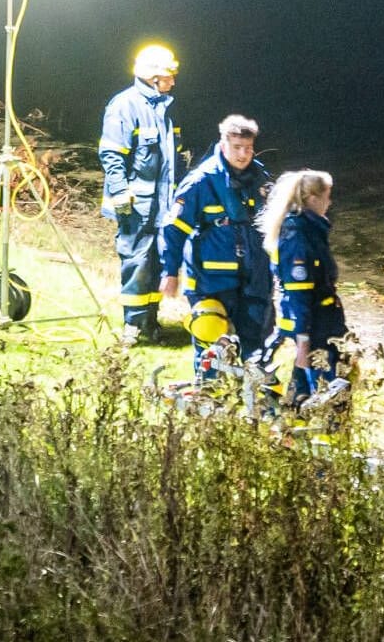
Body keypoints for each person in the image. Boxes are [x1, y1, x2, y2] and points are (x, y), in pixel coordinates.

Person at [159, 115, 274, 376]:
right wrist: (170, 272)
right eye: (237, 148)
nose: (243, 154)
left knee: (256, 340)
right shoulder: (202, 182)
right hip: (211, 279)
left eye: (248, 148)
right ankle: (208, 398)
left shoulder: (261, 179)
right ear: (223, 145)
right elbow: (174, 229)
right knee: (211, 338)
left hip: (254, 277)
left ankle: (253, 399)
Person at [99, 43, 184, 346]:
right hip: (135, 206)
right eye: (168, 75)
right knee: (136, 263)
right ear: (152, 77)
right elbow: (111, 153)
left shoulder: (161, 110)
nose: (173, 80)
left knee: (155, 265)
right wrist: (120, 191)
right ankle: (132, 327)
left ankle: (150, 322)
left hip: (160, 206)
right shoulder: (124, 106)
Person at [259, 169, 349, 406]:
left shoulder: (308, 229)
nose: (329, 202)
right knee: (324, 391)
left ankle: (298, 420)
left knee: (309, 390)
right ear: (312, 199)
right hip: (315, 326)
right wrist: (303, 340)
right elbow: (299, 292)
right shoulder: (298, 236)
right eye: (327, 196)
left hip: (322, 321)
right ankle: (319, 433)